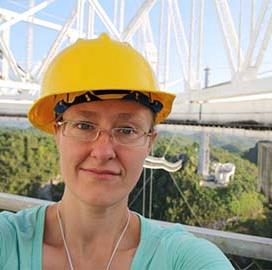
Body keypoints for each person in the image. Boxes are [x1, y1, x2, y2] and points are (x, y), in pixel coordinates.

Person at [0, 33, 234, 269]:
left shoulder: (183, 259)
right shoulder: (7, 242)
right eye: (84, 126)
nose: (103, 152)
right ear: (57, 134)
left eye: (127, 130)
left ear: (150, 142)